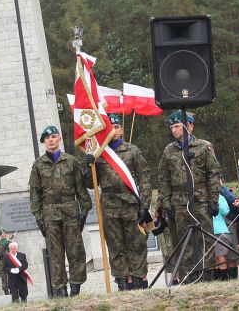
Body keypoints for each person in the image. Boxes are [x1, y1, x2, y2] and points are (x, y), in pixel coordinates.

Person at [85, 114, 151, 291]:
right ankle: (122, 280)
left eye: (116, 127)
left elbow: (144, 177)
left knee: (136, 242)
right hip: (109, 203)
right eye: (110, 127)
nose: (113, 130)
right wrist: (89, 165)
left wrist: (145, 205)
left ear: (121, 130)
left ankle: (138, 279)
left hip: (130, 202)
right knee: (115, 244)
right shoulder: (99, 153)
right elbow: (91, 184)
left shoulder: (132, 150)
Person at [157, 111, 221, 283]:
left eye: (177, 126)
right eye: (172, 127)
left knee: (204, 238)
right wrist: (166, 202)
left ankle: (206, 275)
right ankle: (189, 277)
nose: (174, 130)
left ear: (190, 126)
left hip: (201, 200)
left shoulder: (204, 146)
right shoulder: (169, 150)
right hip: (179, 202)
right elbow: (163, 178)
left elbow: (213, 174)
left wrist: (214, 200)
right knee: (184, 240)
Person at [29, 125, 91, 298]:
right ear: (44, 142)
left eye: (54, 137)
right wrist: (38, 217)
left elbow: (80, 188)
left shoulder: (71, 161)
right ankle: (61, 288)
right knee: (55, 253)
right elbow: (35, 193)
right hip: (50, 214)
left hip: (70, 210)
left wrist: (84, 211)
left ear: (59, 139)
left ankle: (76, 286)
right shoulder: (38, 165)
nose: (51, 140)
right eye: (47, 138)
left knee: (75, 250)